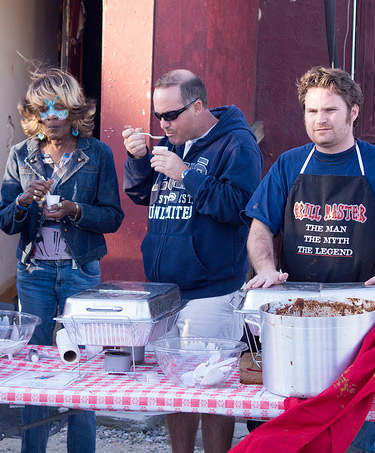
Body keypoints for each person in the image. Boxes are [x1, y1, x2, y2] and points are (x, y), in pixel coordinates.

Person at [243, 66, 375, 452]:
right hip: (294, 313)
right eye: (311, 111)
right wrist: (267, 269)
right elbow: (259, 228)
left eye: (329, 110)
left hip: (360, 318)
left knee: (354, 430)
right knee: (289, 421)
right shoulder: (290, 165)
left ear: (353, 112)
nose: (319, 120)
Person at [123, 69, 263, 453]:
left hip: (212, 289)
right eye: (158, 116)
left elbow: (241, 207)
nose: (163, 124)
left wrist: (185, 174)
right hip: (165, 288)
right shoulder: (175, 140)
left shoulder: (237, 143)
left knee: (212, 387)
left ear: (198, 105)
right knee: (174, 386)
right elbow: (141, 195)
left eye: (171, 115)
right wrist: (137, 159)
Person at [0, 62, 123, 453]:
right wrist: (22, 200)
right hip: (33, 272)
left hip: (80, 271)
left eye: (58, 108)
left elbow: (113, 217)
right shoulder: (21, 155)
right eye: (42, 110)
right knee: (35, 364)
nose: (50, 118)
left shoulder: (97, 153)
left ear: (74, 112)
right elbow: (4, 221)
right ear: (34, 115)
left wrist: (75, 210)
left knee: (81, 365)